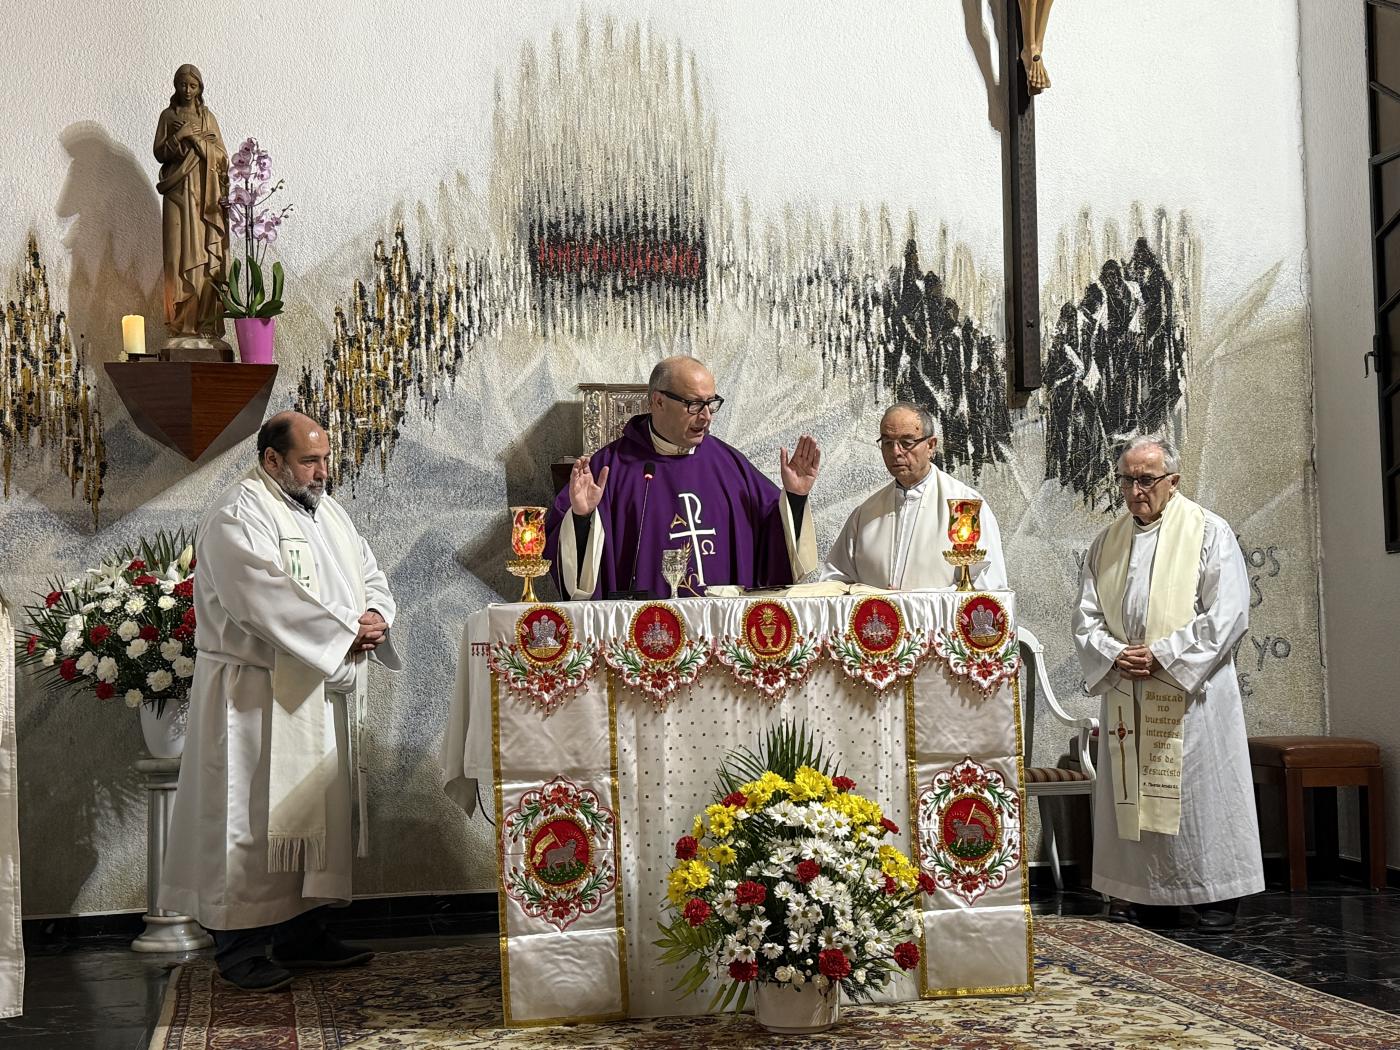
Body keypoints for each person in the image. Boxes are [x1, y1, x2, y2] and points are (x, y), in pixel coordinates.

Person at [160, 411, 401, 991]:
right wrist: (348, 629)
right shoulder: (237, 515)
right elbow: (263, 599)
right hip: (252, 697)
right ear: (272, 460)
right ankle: (238, 949)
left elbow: (370, 574)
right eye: (310, 461)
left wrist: (373, 616)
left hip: (314, 690)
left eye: (326, 459)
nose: (323, 472)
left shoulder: (326, 511)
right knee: (245, 819)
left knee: (311, 813)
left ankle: (304, 935)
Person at [1072, 435, 1262, 930]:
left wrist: (1162, 654)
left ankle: (1210, 893)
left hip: (1188, 693)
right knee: (1131, 794)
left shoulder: (1208, 532)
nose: (1137, 489)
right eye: (1128, 480)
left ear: (1172, 481)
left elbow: (1228, 614)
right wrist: (1116, 655)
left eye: (1147, 479)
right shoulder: (1106, 543)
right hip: (1128, 689)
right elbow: (1086, 620)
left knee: (1196, 793)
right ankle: (1135, 892)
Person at [546, 356, 819, 599]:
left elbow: (773, 546)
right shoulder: (609, 468)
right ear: (658, 401)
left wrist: (794, 498)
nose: (706, 417)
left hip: (722, 631)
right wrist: (582, 520)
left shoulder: (728, 465)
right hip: (643, 634)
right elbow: (571, 565)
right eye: (694, 404)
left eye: (711, 403)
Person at [821, 403, 1007, 590]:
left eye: (906, 443)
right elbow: (835, 581)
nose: (896, 452)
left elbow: (987, 587)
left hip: (939, 620)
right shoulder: (865, 514)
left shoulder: (966, 506)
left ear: (931, 446)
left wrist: (913, 605)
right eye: (887, 443)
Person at [154, 63, 229, 341]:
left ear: (200, 88)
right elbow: (160, 152)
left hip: (203, 198)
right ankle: (180, 324)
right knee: (176, 256)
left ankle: (204, 324)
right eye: (182, 85)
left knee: (203, 258)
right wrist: (180, 135)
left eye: (193, 85)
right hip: (175, 191)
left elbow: (222, 158)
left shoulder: (208, 118)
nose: (187, 90)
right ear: (176, 86)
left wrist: (197, 141)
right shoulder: (167, 116)